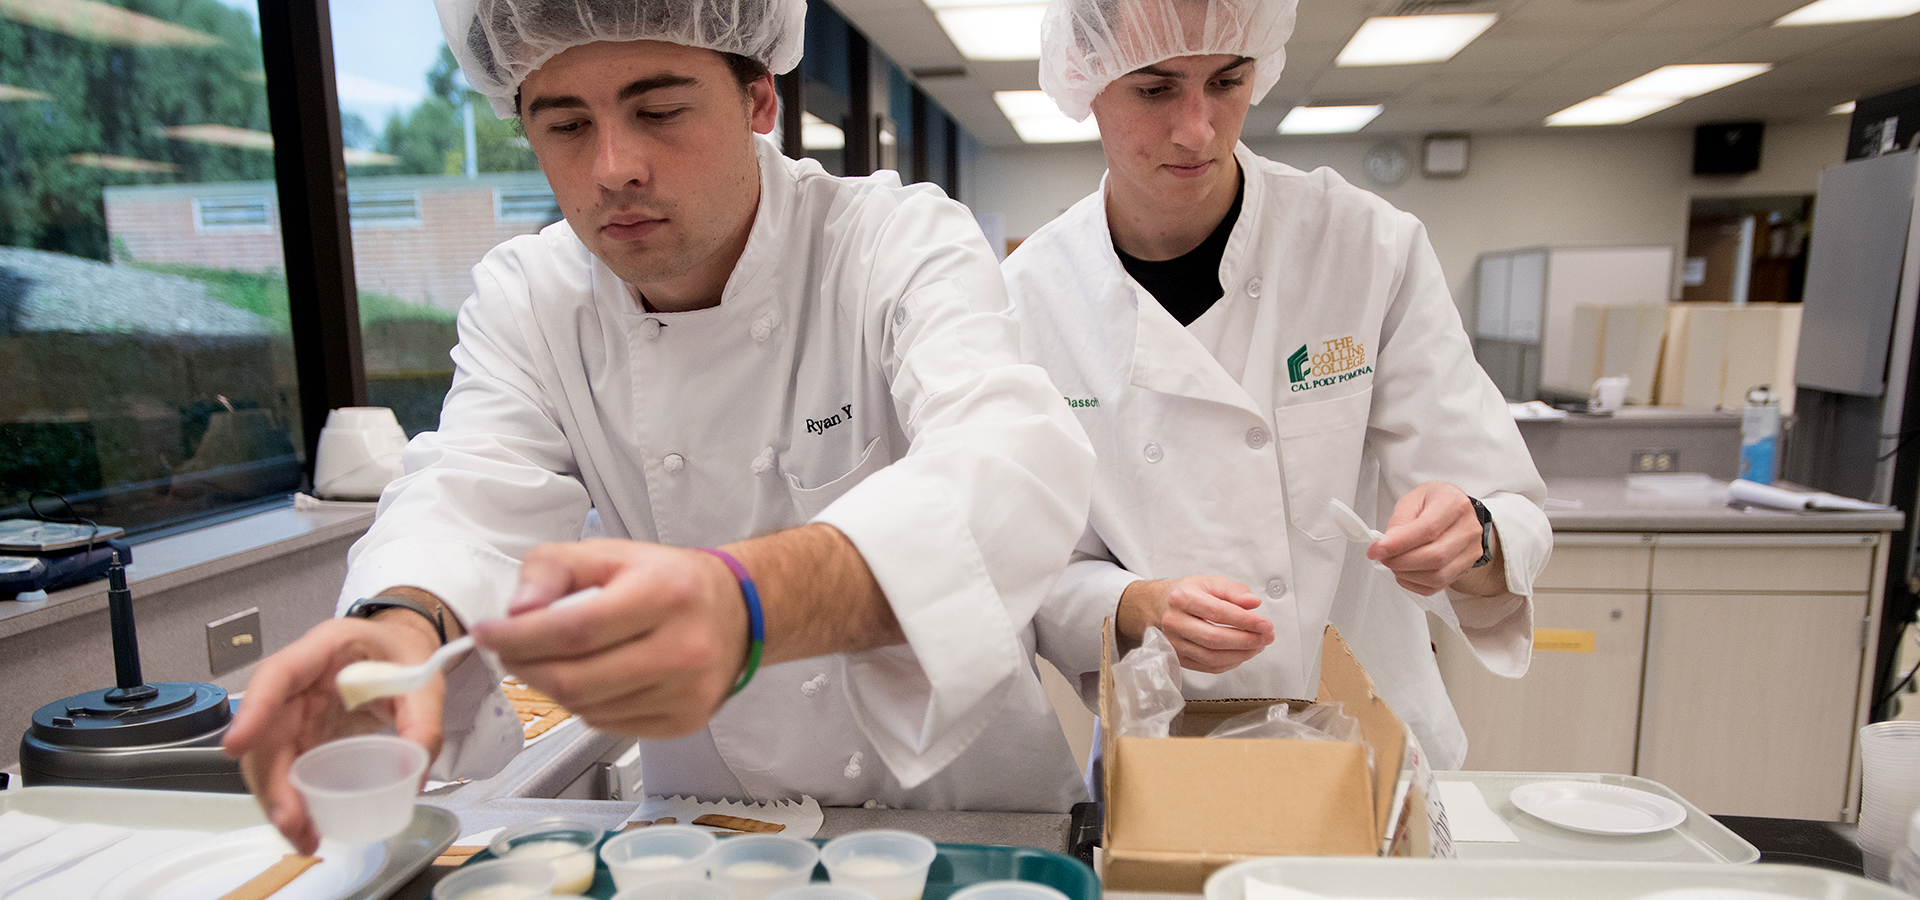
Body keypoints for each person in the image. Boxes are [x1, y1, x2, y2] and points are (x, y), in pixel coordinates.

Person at [224, 0, 1097, 854]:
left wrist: (746, 604)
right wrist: (399, 628)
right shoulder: (531, 299)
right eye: (566, 126)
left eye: (660, 110)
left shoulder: (891, 240)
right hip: (711, 836)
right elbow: (467, 493)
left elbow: (1004, 460)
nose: (614, 166)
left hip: (974, 828)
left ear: (760, 100)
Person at [1004, 0, 1551, 768]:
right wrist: (1133, 604)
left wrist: (1476, 535)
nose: (1197, 128)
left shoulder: (1363, 246)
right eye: (1156, 90)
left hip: (1367, 736)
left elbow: (1504, 503)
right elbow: (1026, 564)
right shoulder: (1029, 298)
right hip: (1166, 750)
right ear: (1084, 80)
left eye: (1226, 82)